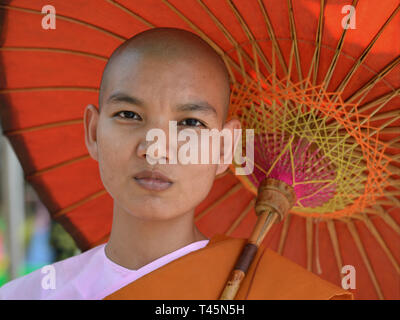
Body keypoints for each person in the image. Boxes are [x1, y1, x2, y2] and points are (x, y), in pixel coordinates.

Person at [0, 27, 352, 300]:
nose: (156, 149)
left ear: (225, 147)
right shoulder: (29, 294)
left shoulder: (280, 293)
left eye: (190, 123)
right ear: (93, 131)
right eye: (129, 114)